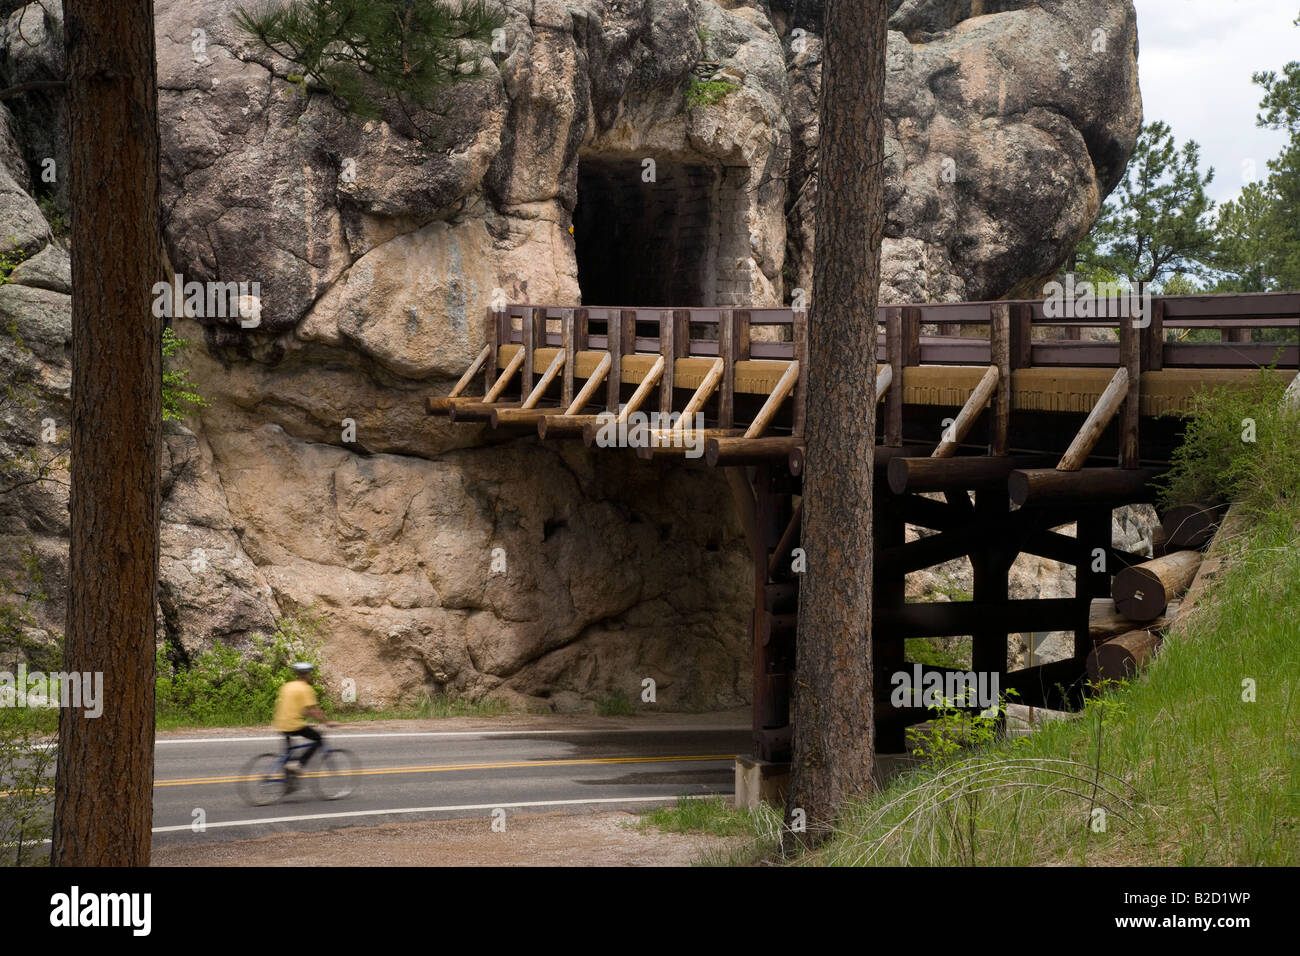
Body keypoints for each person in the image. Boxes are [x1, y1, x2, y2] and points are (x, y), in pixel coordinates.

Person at [273, 662, 337, 784]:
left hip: (280, 723)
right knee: (318, 738)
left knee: (289, 752)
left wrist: (306, 721)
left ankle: (289, 782)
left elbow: (295, 708)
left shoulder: (287, 686)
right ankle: (299, 765)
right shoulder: (306, 689)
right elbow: (314, 711)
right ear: (307, 674)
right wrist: (326, 722)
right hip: (293, 725)